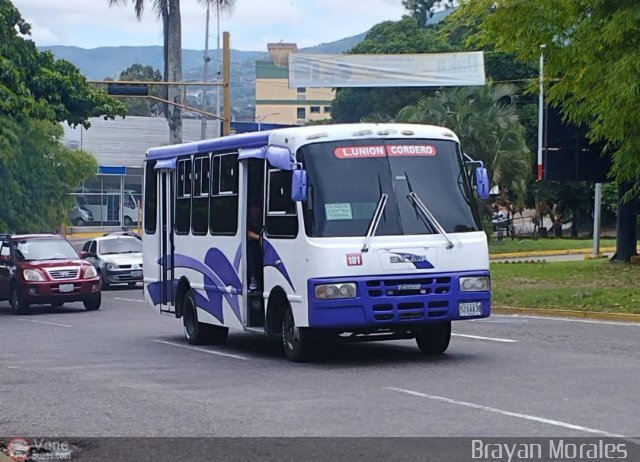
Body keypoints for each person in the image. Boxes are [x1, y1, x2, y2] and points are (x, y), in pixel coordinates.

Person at [247, 204, 263, 292]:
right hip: (251, 245)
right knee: (251, 252)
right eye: (253, 208)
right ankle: (253, 280)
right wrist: (259, 238)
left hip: (261, 246)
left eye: (257, 208)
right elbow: (246, 232)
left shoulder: (261, 220)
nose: (255, 211)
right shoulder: (247, 220)